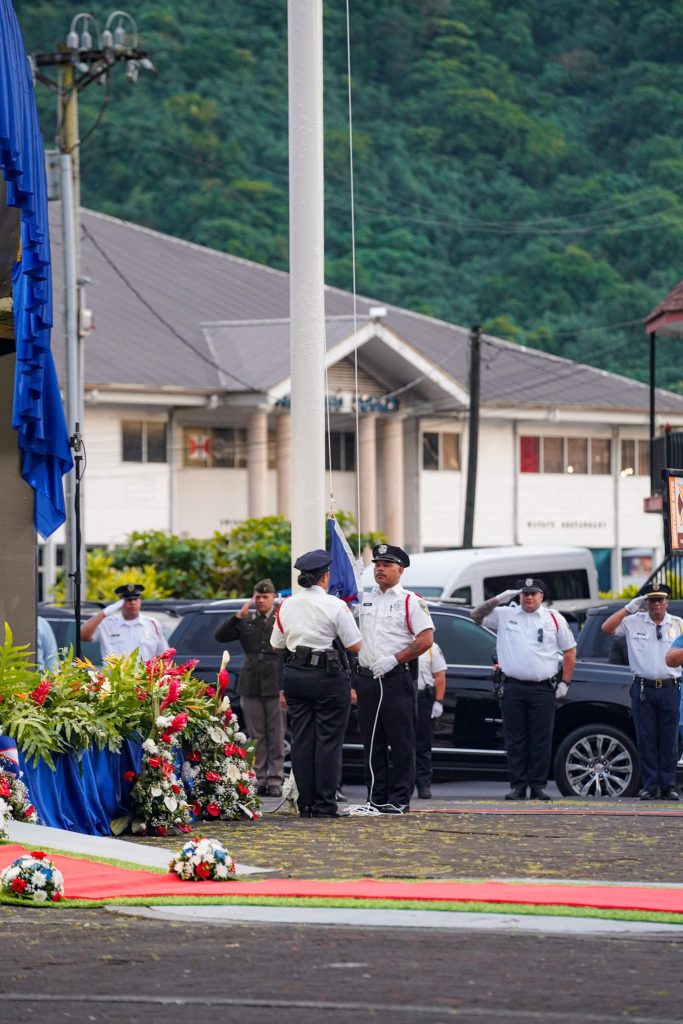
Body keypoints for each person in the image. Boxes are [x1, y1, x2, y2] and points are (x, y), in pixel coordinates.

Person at [271, 549, 361, 818]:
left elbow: (276, 644)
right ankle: (324, 804)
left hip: (295, 675)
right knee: (328, 741)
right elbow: (354, 644)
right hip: (328, 676)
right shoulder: (335, 605)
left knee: (301, 740)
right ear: (325, 577)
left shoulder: (286, 604)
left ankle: (306, 804)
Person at [472, 578, 576, 801]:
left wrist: (565, 682)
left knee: (541, 739)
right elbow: (476, 615)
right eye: (524, 593)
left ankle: (538, 786)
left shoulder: (553, 618)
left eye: (533, 593)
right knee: (515, 739)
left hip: (543, 688)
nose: (528, 597)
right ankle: (518, 786)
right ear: (518, 595)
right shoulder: (504, 614)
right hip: (513, 687)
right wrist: (501, 597)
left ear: (541, 596)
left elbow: (569, 651)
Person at [355, 543, 434, 815]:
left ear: (400, 570)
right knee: (372, 741)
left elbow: (425, 640)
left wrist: (395, 659)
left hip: (396, 678)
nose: (380, 569)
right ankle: (375, 798)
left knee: (401, 741)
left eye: (387, 565)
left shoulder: (411, 601)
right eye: (377, 564)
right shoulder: (366, 599)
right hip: (368, 678)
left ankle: (399, 799)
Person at [603, 583, 683, 801]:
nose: (656, 604)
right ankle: (649, 785)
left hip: (670, 687)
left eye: (660, 599)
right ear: (646, 602)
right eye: (651, 600)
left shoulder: (678, 625)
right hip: (643, 689)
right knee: (646, 738)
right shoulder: (632, 622)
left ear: (666, 602)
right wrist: (629, 607)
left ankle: (667, 785)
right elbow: (607, 628)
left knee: (669, 741)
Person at [214, 579, 284, 797]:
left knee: (277, 735)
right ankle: (259, 777)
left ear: (273, 598)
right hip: (251, 682)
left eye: (266, 597)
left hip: (275, 682)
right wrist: (237, 617)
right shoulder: (247, 619)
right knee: (257, 735)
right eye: (258, 597)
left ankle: (275, 779)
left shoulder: (280, 618)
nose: (262, 600)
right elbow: (220, 636)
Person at [80, 584, 167, 662]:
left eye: (135, 599)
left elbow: (163, 656)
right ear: (120, 603)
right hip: (115, 679)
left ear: (140, 600)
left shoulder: (152, 624)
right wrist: (104, 613)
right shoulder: (107, 624)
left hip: (144, 678)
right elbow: (82, 635)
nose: (133, 603)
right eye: (128, 600)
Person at [415, 641, 447, 800]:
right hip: (403, 697)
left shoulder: (431, 647)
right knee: (401, 744)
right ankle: (402, 785)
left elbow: (439, 675)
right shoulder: (397, 643)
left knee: (423, 744)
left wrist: (438, 701)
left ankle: (423, 785)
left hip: (423, 698)